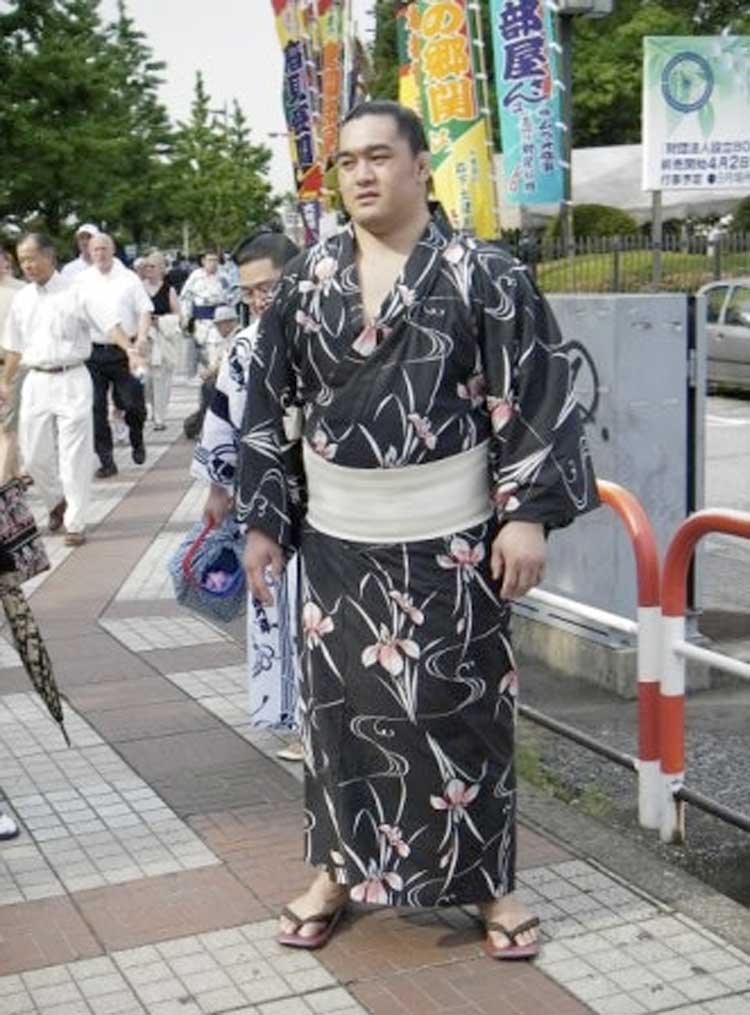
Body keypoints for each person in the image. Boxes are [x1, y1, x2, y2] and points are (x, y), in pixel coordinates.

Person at [237, 101, 598, 958]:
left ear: (420, 166)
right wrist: (263, 522)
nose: (361, 174)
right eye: (347, 161)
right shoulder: (306, 281)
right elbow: (269, 407)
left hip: (456, 537)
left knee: (461, 709)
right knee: (338, 717)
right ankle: (335, 868)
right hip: (337, 542)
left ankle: (490, 884)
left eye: (379, 157)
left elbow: (537, 395)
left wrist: (529, 515)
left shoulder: (488, 273)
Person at [192, 233, 302, 755]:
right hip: (267, 498)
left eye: (269, 287)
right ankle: (297, 719)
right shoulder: (245, 344)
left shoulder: (334, 331)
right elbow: (222, 420)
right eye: (250, 291)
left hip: (332, 499)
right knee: (277, 607)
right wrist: (218, 486)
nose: (259, 299)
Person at [1, 234, 102, 547]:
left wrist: (129, 346)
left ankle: (75, 521)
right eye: (22, 259)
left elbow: (108, 323)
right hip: (36, 381)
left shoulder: (76, 292)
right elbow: (14, 347)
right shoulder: (23, 298)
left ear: (50, 256)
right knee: (33, 456)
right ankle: (56, 500)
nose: (28, 265)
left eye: (32, 257)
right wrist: (4, 381)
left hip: (72, 377)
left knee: (74, 454)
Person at [77, 233, 152, 478]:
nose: (100, 253)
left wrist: (141, 339)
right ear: (89, 252)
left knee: (133, 404)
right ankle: (106, 459)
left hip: (126, 352)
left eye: (104, 248)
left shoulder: (128, 278)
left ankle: (136, 437)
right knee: (95, 407)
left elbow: (144, 311)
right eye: (95, 249)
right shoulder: (82, 281)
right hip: (94, 353)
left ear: (113, 250)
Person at [142, 250, 181, 431]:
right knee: (146, 379)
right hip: (144, 338)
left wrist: (161, 322)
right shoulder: (139, 288)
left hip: (162, 338)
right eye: (147, 266)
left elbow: (179, 315)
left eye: (152, 266)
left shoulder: (169, 290)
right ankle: (150, 407)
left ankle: (160, 417)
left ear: (161, 269)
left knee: (161, 379)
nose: (149, 269)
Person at [179, 249, 230, 377]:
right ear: (203, 261)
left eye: (215, 260)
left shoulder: (224, 276)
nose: (213, 263)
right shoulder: (196, 276)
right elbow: (186, 297)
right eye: (210, 260)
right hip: (200, 321)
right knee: (202, 354)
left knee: (216, 353)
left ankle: (213, 378)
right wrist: (185, 317)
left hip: (219, 321)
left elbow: (233, 295)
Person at [0, 246, 25, 483]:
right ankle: (13, 473)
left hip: (13, 364)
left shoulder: (20, 291)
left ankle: (4, 479)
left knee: (7, 424)